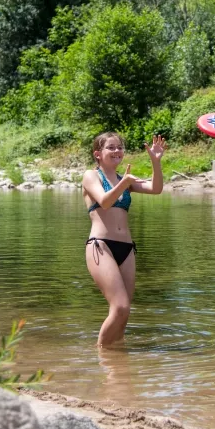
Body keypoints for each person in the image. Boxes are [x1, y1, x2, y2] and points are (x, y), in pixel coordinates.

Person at [82, 132, 166, 347]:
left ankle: (117, 358)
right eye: (111, 147)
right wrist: (126, 182)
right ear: (98, 154)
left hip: (126, 249)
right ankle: (101, 353)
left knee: (124, 312)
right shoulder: (91, 176)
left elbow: (156, 189)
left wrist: (156, 162)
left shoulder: (123, 179)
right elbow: (104, 201)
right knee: (119, 307)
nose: (117, 151)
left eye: (119, 147)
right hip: (101, 247)